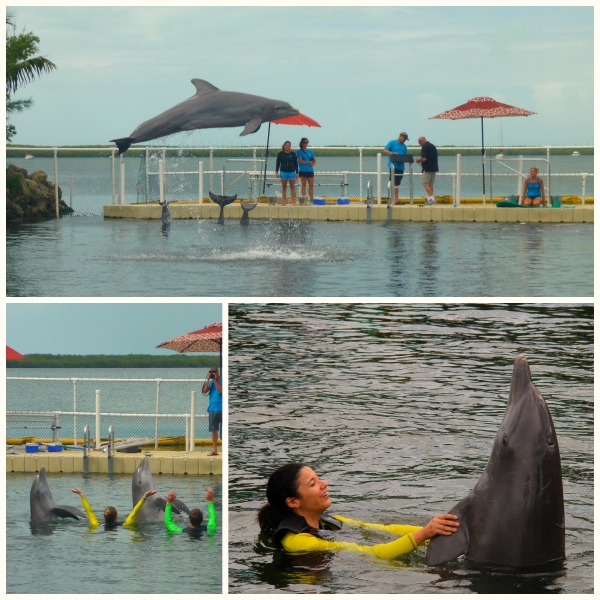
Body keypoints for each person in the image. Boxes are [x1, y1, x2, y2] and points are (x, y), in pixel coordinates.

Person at [257, 463, 459, 560]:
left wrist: (436, 528)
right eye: (313, 483)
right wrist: (424, 534)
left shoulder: (327, 521)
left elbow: (383, 529)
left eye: (320, 478)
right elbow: (372, 554)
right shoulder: (297, 541)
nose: (324, 484)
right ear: (293, 501)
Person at [71, 487, 157, 529]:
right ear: (116, 517)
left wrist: (81, 495)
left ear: (104, 517)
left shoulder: (96, 525)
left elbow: (90, 512)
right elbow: (134, 513)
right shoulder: (125, 525)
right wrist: (144, 497)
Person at [383, 132, 409, 205]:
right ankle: (393, 199)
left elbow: (406, 155)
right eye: (404, 138)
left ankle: (396, 199)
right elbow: (385, 150)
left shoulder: (404, 146)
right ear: (401, 136)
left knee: (397, 183)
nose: (404, 141)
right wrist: (392, 153)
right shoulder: (392, 142)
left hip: (401, 167)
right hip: (393, 166)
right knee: (393, 182)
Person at [202, 366, 222, 456]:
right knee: (214, 430)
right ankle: (214, 450)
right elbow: (204, 391)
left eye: (215, 372)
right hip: (213, 409)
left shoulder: (223, 381)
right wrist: (208, 379)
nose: (214, 374)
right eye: (212, 373)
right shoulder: (210, 382)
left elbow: (222, 391)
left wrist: (215, 381)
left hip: (222, 408)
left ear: (218, 372)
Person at [415, 136, 439, 205]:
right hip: (434, 167)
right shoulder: (432, 146)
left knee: (425, 183)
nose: (420, 144)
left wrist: (418, 160)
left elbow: (424, 159)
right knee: (430, 184)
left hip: (427, 168)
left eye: (420, 143)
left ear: (421, 141)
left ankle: (432, 198)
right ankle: (430, 199)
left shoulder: (425, 147)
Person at [275, 141, 299, 206]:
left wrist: (297, 172)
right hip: (283, 172)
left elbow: (296, 164)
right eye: (286, 145)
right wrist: (276, 172)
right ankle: (284, 200)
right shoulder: (280, 154)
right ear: (284, 146)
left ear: (290, 146)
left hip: (291, 172)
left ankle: (293, 201)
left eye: (289, 145)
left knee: (292, 187)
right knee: (284, 187)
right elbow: (278, 163)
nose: (287, 146)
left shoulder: (293, 154)